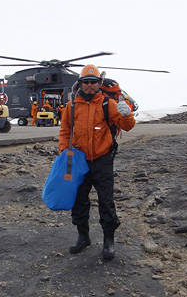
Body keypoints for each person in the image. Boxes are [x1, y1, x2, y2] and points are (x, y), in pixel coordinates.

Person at [58, 64, 135, 260]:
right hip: (79, 162)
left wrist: (127, 115)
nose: (90, 85)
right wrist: (63, 153)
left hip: (102, 161)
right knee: (79, 201)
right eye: (86, 82)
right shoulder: (71, 106)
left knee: (106, 202)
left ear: (99, 83)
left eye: (94, 82)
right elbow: (65, 132)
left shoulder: (108, 104)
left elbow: (127, 127)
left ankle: (109, 241)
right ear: (81, 84)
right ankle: (83, 237)